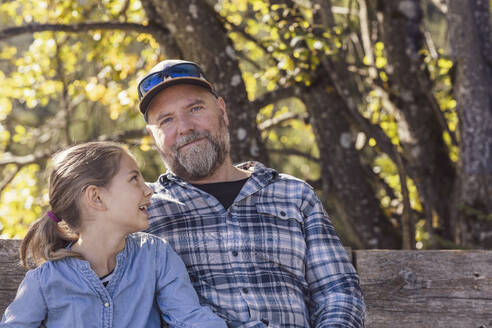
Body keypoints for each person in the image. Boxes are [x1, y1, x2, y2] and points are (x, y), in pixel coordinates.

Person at [138, 60, 365, 327]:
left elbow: (338, 293)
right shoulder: (143, 209)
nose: (185, 127)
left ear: (222, 111)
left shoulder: (293, 194)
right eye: (167, 120)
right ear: (153, 136)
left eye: (195, 108)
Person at [0, 141, 227, 328]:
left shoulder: (155, 255)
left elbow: (190, 318)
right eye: (134, 179)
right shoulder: (46, 280)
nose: (149, 190)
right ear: (96, 198)